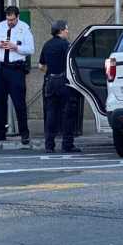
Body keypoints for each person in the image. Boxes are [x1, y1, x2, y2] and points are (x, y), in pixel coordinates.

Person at [0, 5, 34, 146]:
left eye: (12, 20)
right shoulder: (0, 26)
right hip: (0, 68)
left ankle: (24, 133)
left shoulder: (24, 28)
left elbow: (31, 49)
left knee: (19, 103)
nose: (10, 22)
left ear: (17, 17)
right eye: (8, 20)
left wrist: (16, 47)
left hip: (15, 69)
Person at [39, 19, 81, 154]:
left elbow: (41, 65)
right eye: (66, 29)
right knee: (67, 113)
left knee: (51, 114)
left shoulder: (47, 45)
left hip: (50, 81)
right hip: (64, 81)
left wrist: (51, 73)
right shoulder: (66, 45)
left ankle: (49, 145)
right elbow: (72, 63)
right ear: (61, 30)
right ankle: (67, 144)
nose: (68, 31)